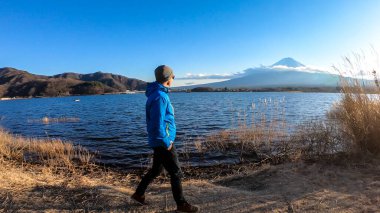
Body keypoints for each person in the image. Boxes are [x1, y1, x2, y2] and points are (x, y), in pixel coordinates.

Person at [131, 65, 199, 213]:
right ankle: (181, 204)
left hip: (159, 140)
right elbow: (157, 124)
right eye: (173, 77)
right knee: (175, 172)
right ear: (168, 79)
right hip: (163, 141)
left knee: (156, 170)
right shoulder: (160, 97)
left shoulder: (156, 94)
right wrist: (167, 141)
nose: (173, 79)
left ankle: (138, 194)